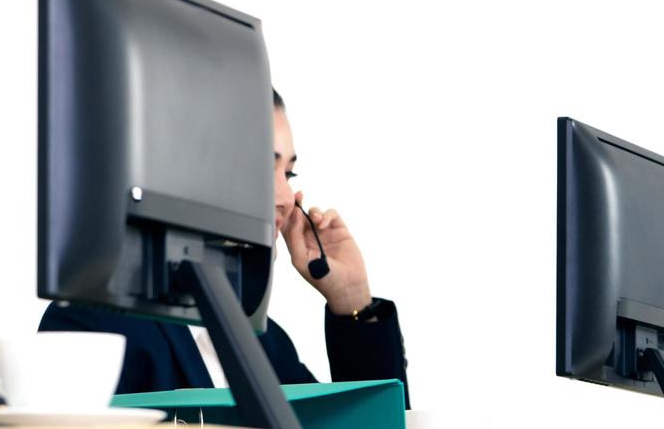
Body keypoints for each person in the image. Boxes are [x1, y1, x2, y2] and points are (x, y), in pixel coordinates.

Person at [40, 91, 410, 407]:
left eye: (289, 175)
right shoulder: (92, 327)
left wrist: (352, 301)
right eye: (263, 170)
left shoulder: (266, 345)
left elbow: (369, 422)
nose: (285, 198)